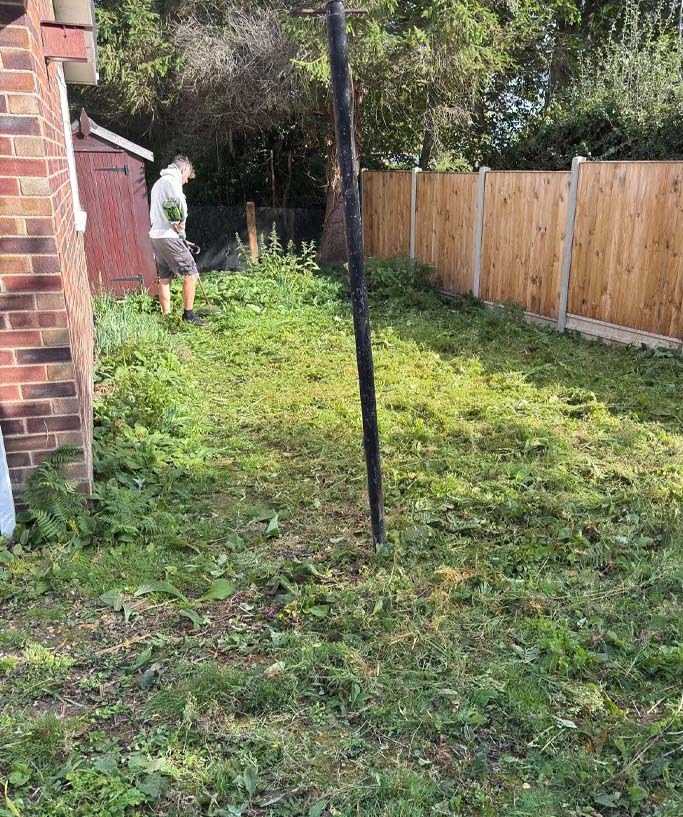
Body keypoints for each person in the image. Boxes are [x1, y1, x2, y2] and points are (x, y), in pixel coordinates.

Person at [149, 155, 207, 326]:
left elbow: (166, 209)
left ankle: (166, 317)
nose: (186, 181)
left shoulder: (158, 184)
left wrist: (182, 238)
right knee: (192, 273)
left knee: (165, 277)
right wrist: (181, 227)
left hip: (157, 236)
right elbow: (177, 207)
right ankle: (188, 316)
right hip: (169, 235)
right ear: (183, 169)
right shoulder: (172, 182)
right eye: (187, 177)